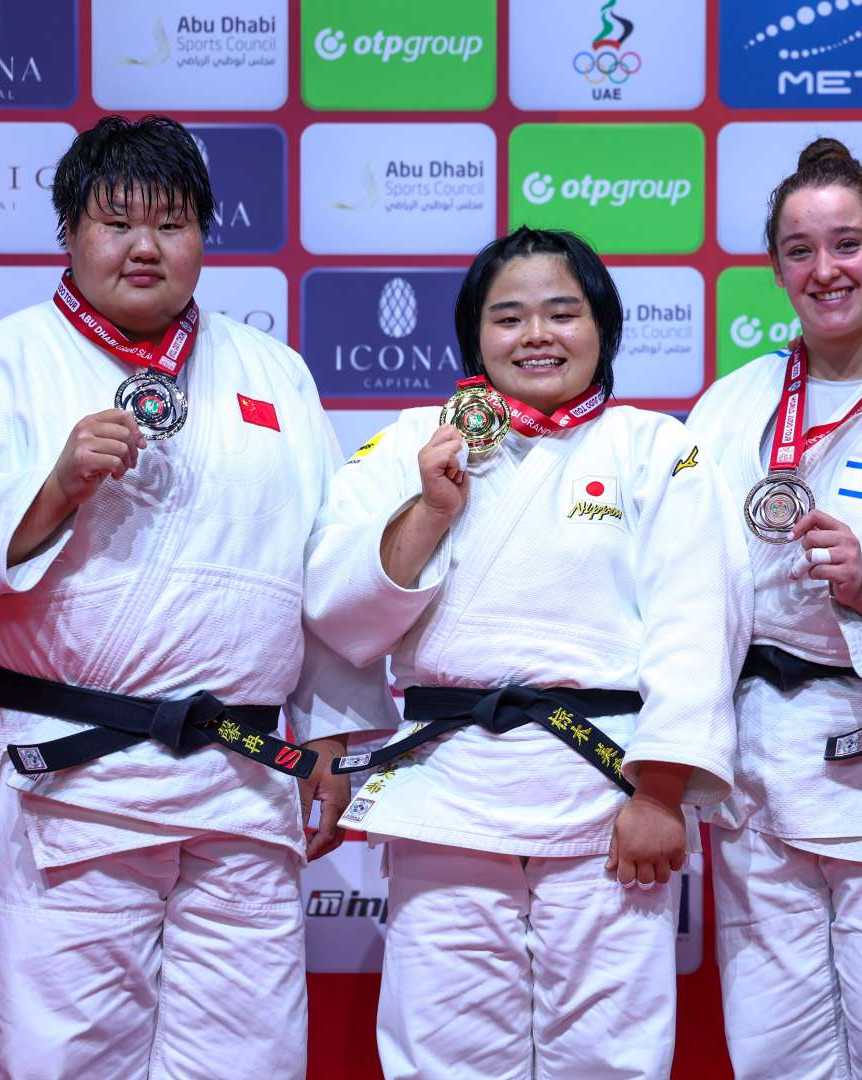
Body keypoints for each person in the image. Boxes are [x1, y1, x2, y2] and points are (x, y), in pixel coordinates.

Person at [0, 115, 395, 1078]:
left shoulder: (272, 373)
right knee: (64, 1058)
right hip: (78, 782)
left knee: (251, 1059)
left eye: (173, 222)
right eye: (117, 222)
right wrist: (53, 485)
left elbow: (322, 563)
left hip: (241, 782)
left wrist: (329, 730)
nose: (146, 247)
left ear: (206, 235)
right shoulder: (5, 363)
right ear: (70, 234)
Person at [304, 226, 751, 1079]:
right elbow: (337, 609)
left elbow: (698, 625)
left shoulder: (656, 448)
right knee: (445, 1054)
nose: (536, 336)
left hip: (605, 795)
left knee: (611, 1056)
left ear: (604, 328)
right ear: (475, 335)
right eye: (508, 317)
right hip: (449, 794)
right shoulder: (413, 442)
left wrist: (661, 792)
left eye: (562, 312)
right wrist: (429, 509)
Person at [686, 138, 862, 1079]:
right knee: (770, 1049)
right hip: (757, 766)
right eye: (800, 252)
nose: (826, 270)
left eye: (847, 243)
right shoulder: (731, 405)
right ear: (774, 270)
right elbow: (685, 586)